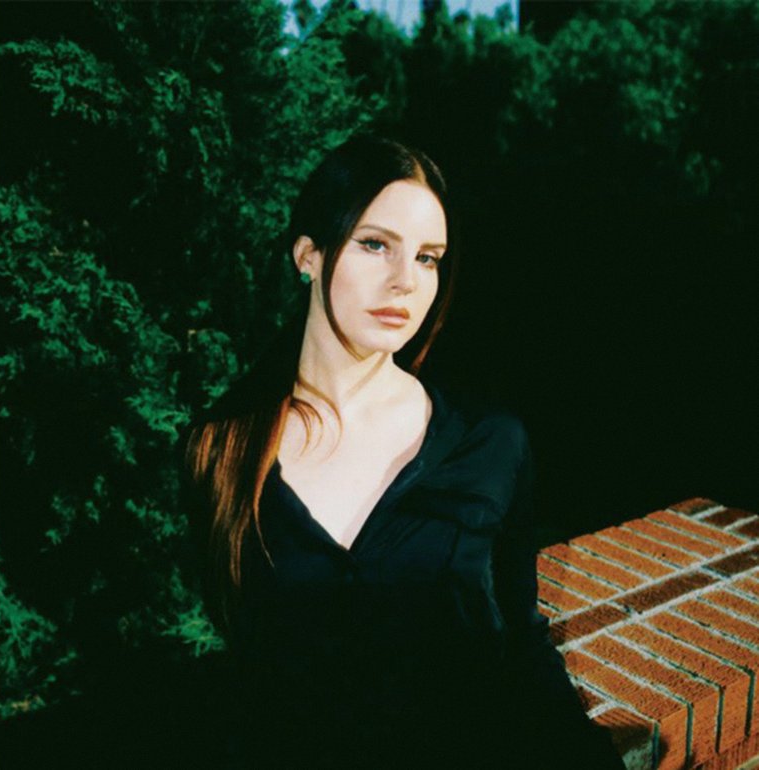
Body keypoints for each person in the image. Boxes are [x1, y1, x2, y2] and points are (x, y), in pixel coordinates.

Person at [180, 136, 625, 768]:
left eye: (427, 257)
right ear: (308, 255)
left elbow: (521, 644)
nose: (405, 281)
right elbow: (248, 675)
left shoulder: (491, 443)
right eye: (374, 244)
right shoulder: (219, 452)